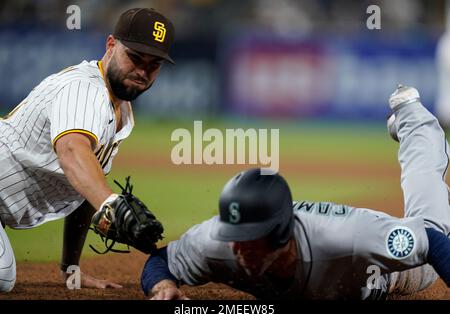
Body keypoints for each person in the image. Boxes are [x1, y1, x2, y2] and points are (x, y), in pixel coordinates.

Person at [141, 85, 450, 300]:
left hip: (383, 274)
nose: (238, 249)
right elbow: (163, 260)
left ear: (281, 235)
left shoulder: (348, 235)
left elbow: (430, 240)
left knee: (434, 226)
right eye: (234, 236)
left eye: (251, 238)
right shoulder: (216, 242)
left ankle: (412, 119)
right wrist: (162, 286)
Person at [0, 8, 175, 292]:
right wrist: (112, 205)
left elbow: (83, 190)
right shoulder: (84, 89)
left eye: (153, 64)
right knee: (2, 276)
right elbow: (71, 151)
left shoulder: (121, 110)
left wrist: (70, 269)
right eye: (134, 57)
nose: (142, 71)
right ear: (110, 45)